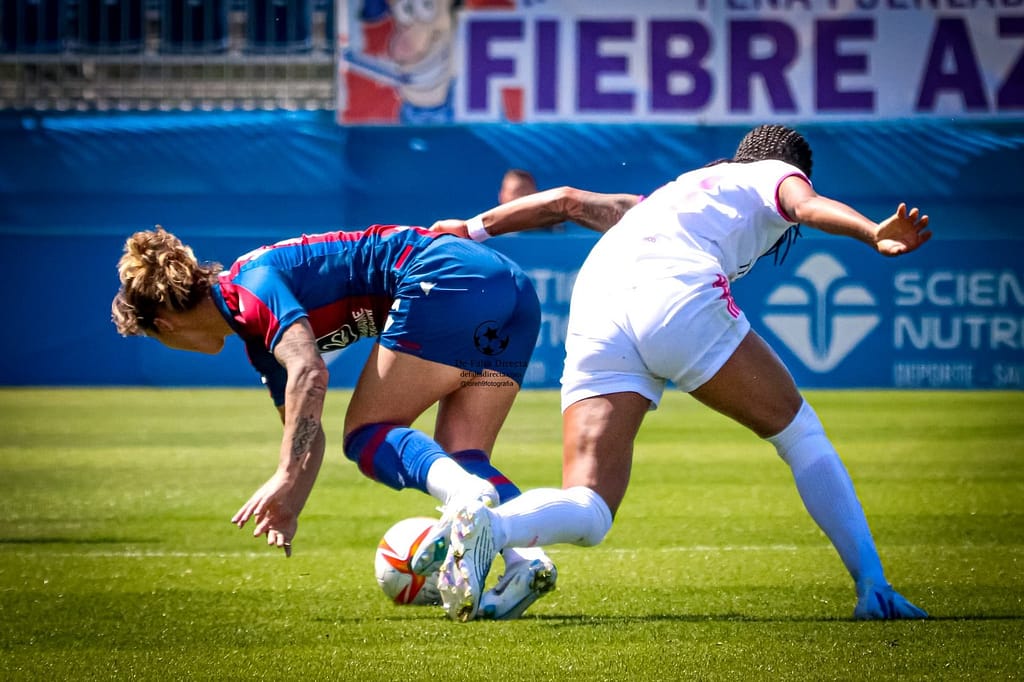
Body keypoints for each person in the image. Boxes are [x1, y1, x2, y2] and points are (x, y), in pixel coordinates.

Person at [427, 124, 932, 622]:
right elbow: (805, 206)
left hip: (597, 302)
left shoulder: (675, 193)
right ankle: (873, 585)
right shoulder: (774, 172)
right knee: (801, 435)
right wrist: (872, 232)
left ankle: (491, 525)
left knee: (591, 505)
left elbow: (565, 201)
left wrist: (470, 229)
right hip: (674, 291)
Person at [111, 223, 569, 619]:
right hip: (507, 285)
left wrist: (285, 474)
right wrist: (290, 504)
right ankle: (525, 559)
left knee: (367, 433)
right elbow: (306, 433)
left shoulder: (247, 287)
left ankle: (466, 495)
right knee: (461, 456)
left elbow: (311, 372)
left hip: (447, 279)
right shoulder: (256, 331)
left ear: (164, 325)